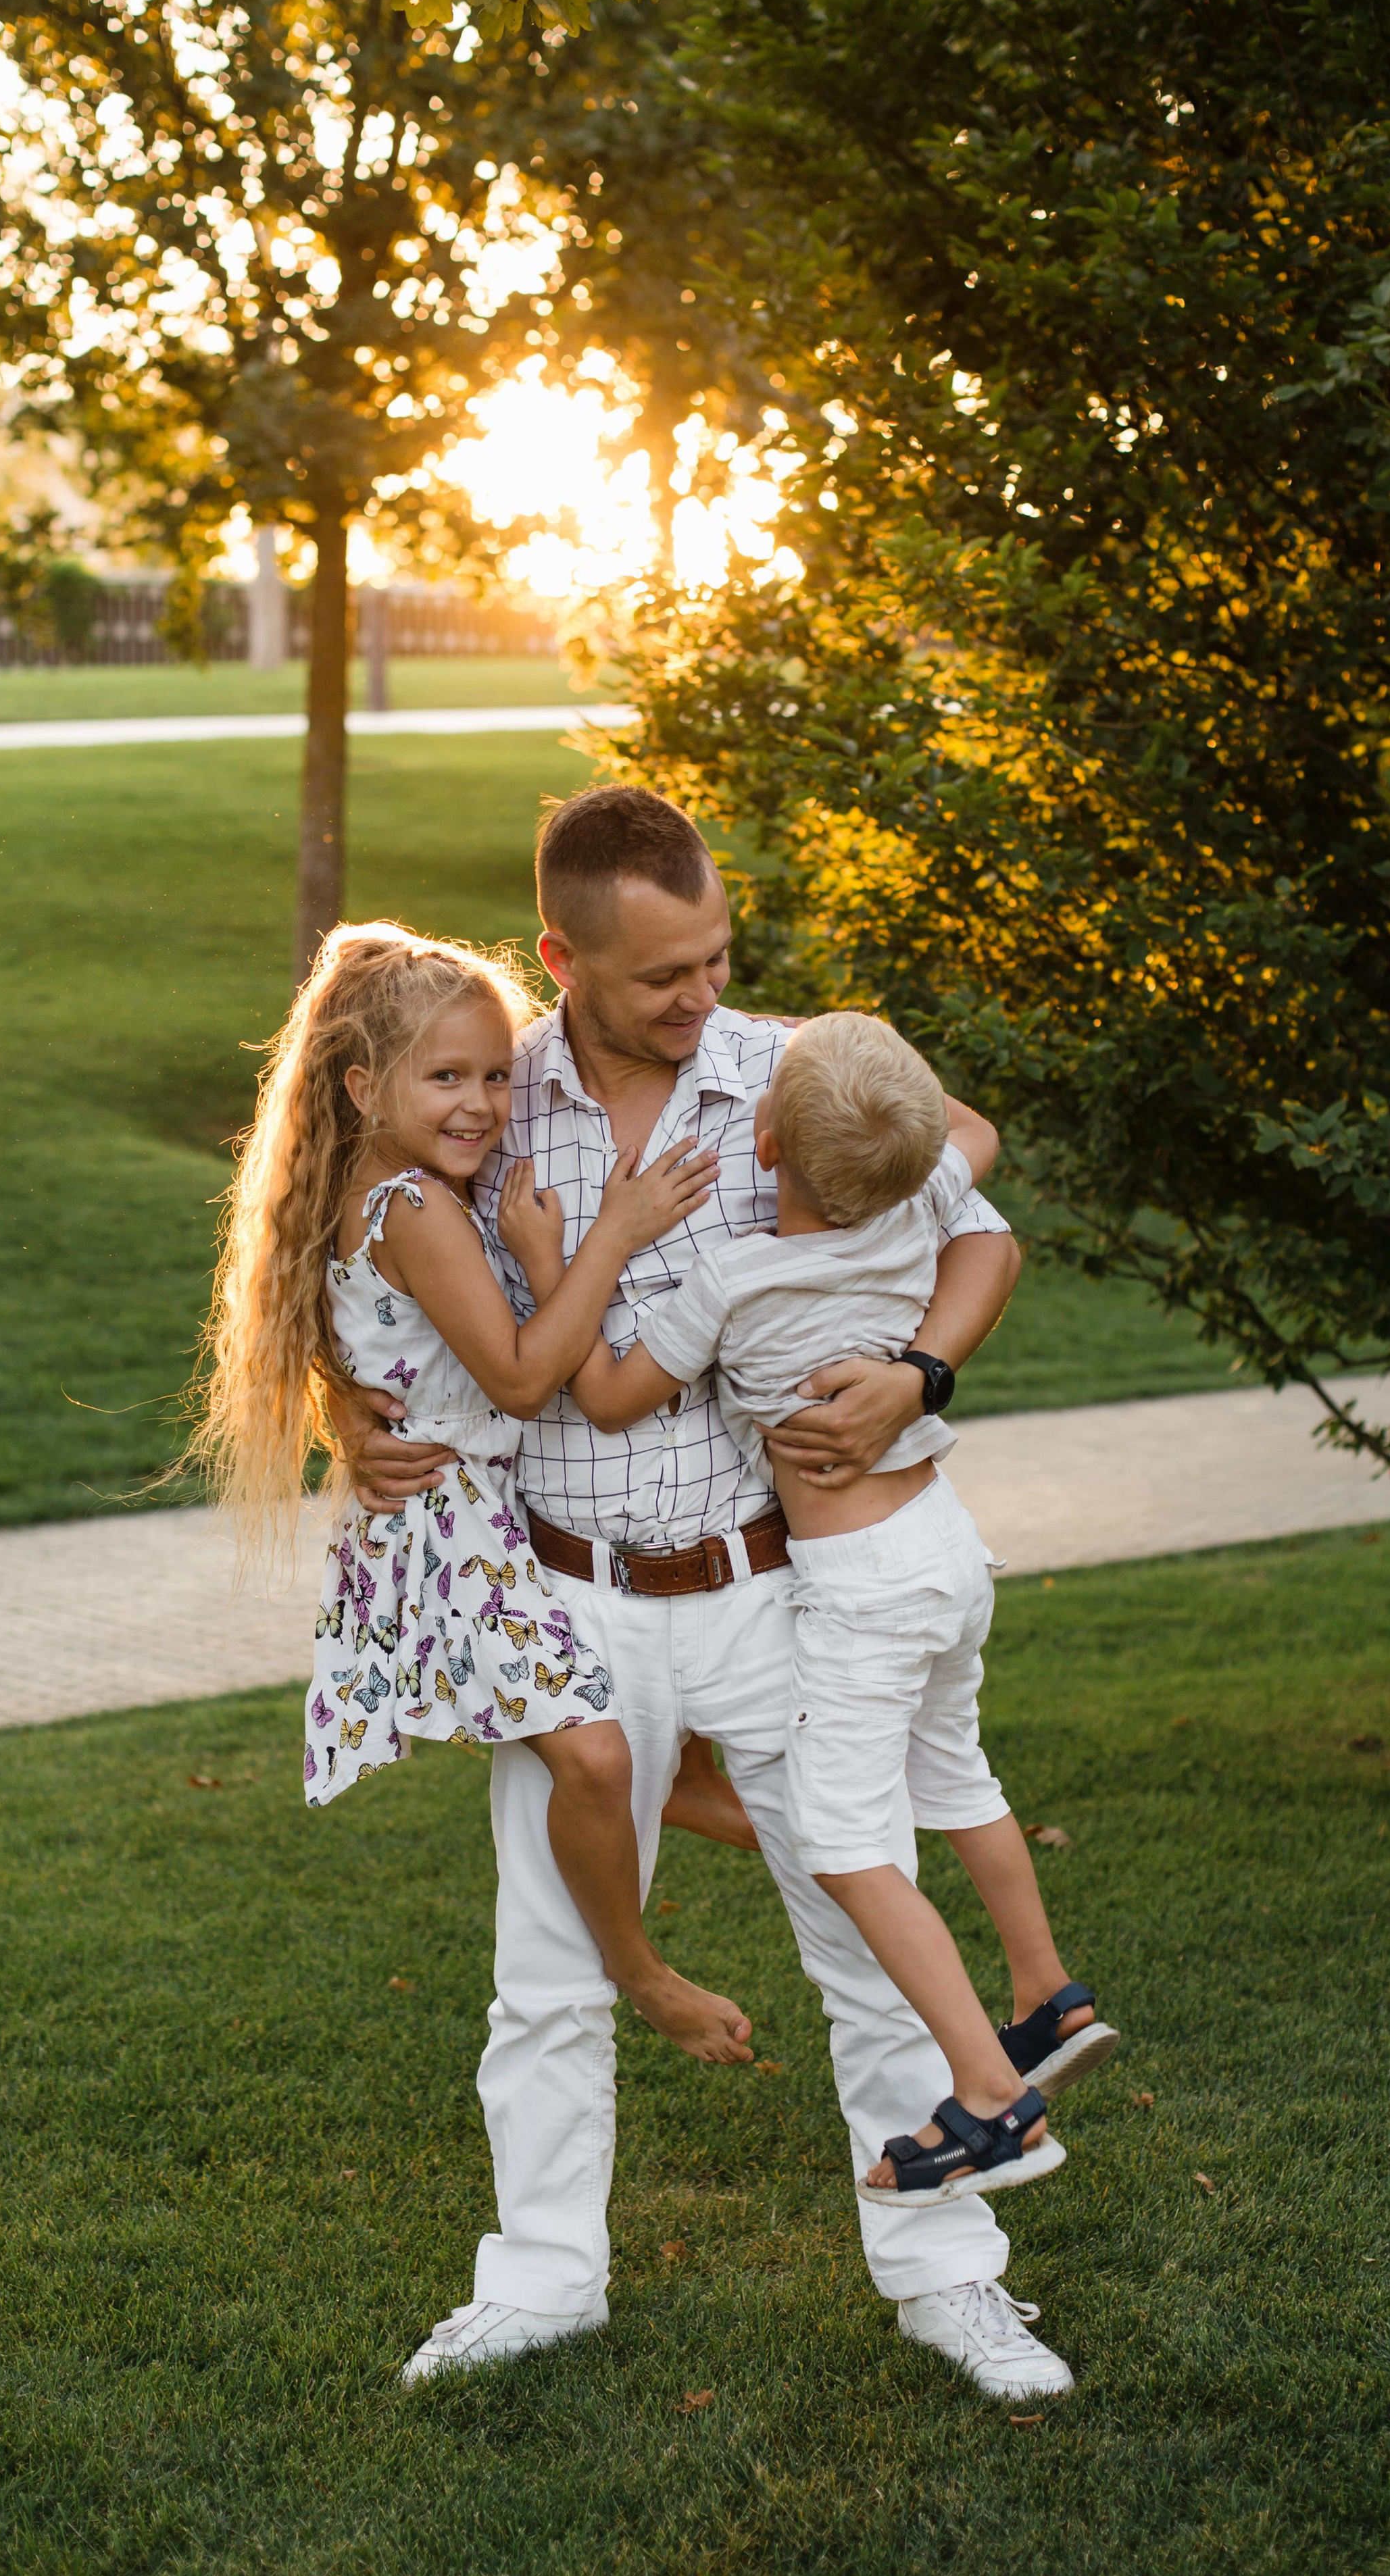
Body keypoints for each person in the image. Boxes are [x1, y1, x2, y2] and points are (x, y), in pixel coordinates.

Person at [337, 784, 1077, 2403]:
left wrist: (918, 1374)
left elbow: (982, 1228)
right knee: (546, 1964)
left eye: (716, 957)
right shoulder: (476, 1095)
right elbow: (363, 1275)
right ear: (561, 956)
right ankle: (540, 2283)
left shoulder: (793, 1074)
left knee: (856, 1924)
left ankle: (947, 2271)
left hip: (774, 1589)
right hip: (568, 1596)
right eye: (663, 974)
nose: (699, 998)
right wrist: (351, 1424)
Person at [552, 1009, 1120, 2208]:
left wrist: (582, 1255)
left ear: (764, 1142)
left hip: (862, 1582)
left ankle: (988, 2096)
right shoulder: (921, 1204)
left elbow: (605, 1394)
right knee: (954, 1770)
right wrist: (854, 1059)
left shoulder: (737, 1273)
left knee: (849, 1844)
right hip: (944, 1545)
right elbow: (973, 1130)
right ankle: (1045, 1993)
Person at [190, 920, 754, 2062]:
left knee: (638, 1723)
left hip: (461, 1509)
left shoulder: (372, 1184)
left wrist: (345, 1406)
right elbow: (521, 1371)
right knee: (592, 1753)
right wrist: (618, 1232)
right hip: (452, 1529)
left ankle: (688, 1788)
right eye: (446, 1077)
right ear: (363, 1087)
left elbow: (359, 1337)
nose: (483, 1104)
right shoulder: (418, 1209)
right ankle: (640, 1972)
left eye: (497, 1075)